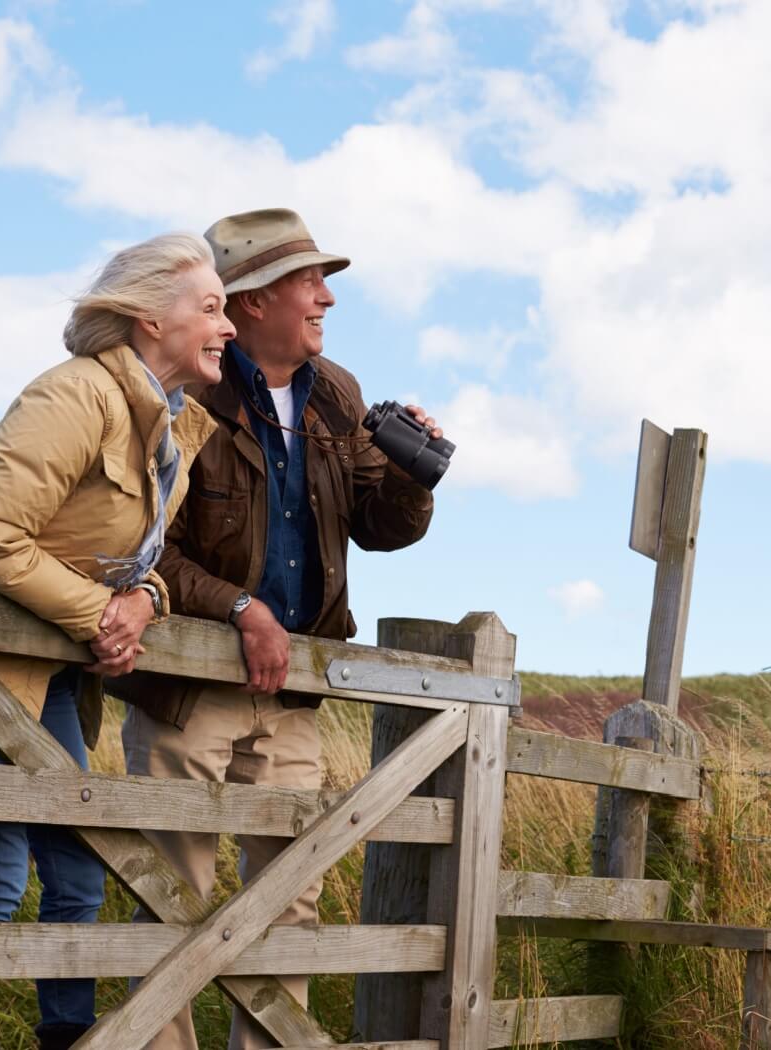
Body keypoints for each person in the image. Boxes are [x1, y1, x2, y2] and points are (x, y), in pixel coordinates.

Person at [116, 208, 442, 1050]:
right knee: (169, 893)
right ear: (254, 299)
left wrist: (412, 475)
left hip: (292, 696)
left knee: (290, 900)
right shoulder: (186, 385)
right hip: (189, 688)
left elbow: (380, 525)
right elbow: (147, 546)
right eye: (308, 281)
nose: (326, 297)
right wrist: (241, 607)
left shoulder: (336, 391)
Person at [0, 232, 232, 1050]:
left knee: (81, 864)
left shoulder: (176, 430)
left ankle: (71, 1035)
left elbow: (149, 560)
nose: (225, 325)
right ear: (147, 318)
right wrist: (101, 614)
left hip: (50, 667)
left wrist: (145, 600)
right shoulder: (74, 395)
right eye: (209, 307)